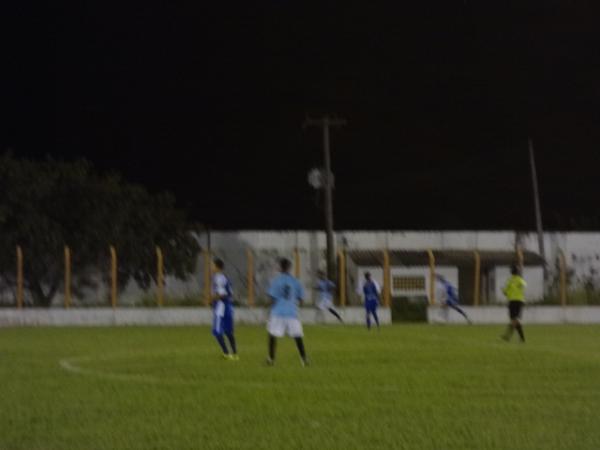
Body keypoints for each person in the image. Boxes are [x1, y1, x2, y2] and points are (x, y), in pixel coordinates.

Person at [265, 258, 309, 366]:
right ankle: (304, 360)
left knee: (272, 336)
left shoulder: (276, 280)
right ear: (289, 268)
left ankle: (271, 359)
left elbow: (272, 298)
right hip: (291, 313)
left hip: (278, 312)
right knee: (297, 337)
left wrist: (268, 306)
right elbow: (301, 300)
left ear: (280, 267)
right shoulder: (295, 281)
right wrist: (294, 304)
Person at [211, 258, 238, 360]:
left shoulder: (218, 278)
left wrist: (212, 298)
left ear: (217, 267)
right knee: (228, 331)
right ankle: (235, 354)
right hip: (228, 306)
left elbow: (221, 294)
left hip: (221, 307)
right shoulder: (224, 277)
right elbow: (230, 293)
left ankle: (226, 353)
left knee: (217, 331)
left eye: (212, 265)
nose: (211, 267)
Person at [501, 265, 527, 342]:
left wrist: (504, 291)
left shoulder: (509, 280)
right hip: (520, 301)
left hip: (512, 301)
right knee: (515, 319)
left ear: (511, 272)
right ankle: (508, 336)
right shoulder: (521, 280)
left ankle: (509, 336)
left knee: (514, 319)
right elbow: (524, 286)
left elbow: (505, 292)